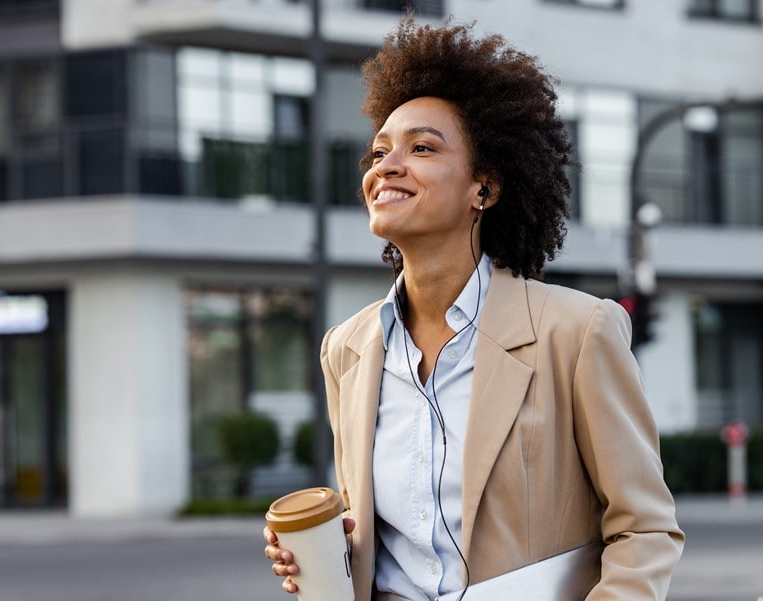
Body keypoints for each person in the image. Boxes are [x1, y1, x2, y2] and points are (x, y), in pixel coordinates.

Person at [265, 17, 683, 601]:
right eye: (379, 151)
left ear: (482, 189)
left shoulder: (577, 332)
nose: (386, 166)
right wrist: (320, 557)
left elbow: (645, 529)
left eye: (422, 148)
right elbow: (382, 539)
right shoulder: (348, 348)